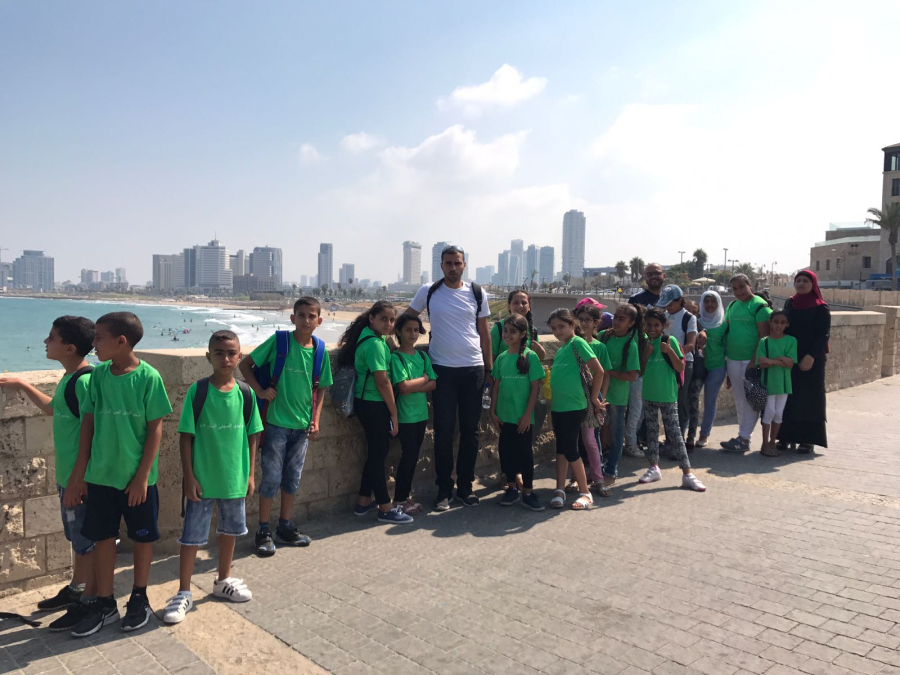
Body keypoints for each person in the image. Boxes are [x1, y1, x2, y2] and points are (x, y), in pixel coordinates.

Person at [65, 312, 173, 636]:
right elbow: (88, 425)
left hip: (136, 480)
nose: (94, 343)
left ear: (121, 341)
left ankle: (139, 597)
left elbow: (155, 429)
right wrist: (79, 475)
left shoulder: (149, 377)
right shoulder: (98, 376)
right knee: (102, 538)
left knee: (142, 538)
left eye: (99, 337)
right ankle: (105, 603)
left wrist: (142, 477)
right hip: (101, 476)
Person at [0, 316, 97, 632]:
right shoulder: (70, 378)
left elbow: (93, 432)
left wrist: (79, 481)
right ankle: (77, 588)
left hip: (79, 480)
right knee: (77, 538)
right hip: (69, 476)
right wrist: (23, 385)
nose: (45, 341)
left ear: (69, 347)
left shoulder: (84, 382)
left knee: (86, 541)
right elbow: (56, 409)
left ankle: (88, 601)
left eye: (52, 337)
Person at [164, 331, 263, 624]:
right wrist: (189, 476)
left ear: (240, 357)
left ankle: (223, 580)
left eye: (231, 353)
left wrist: (250, 474)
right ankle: (184, 591)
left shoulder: (246, 394)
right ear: (209, 356)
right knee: (191, 537)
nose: (226, 358)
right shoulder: (199, 392)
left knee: (230, 531)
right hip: (203, 480)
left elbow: (253, 435)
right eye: (219, 353)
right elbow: (186, 437)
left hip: (234, 478)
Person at [240, 297, 333, 556]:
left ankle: (285, 526)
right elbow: (245, 365)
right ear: (292, 318)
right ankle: (263, 530)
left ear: (319, 321)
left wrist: (316, 420)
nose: (306, 320)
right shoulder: (280, 342)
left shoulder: (320, 351)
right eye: (301, 315)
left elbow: (320, 388)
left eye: (311, 316)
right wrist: (260, 391)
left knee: (292, 478)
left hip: (302, 427)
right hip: (276, 424)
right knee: (271, 478)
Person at [405, 246, 491, 511]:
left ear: (464, 265)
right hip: (441, 369)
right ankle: (444, 489)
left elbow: (484, 332)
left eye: (457, 263)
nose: (453, 267)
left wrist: (489, 368)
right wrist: (397, 348)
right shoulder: (428, 291)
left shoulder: (477, 293)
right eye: (448, 263)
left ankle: (465, 487)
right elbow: (406, 319)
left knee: (470, 431)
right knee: (443, 431)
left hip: (473, 369)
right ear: (441, 266)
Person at [338, 302, 412, 524]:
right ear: (371, 318)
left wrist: (388, 340)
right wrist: (394, 413)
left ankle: (363, 502)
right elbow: (382, 381)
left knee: (375, 453)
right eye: (383, 319)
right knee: (378, 456)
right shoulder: (374, 345)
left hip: (365, 402)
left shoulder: (368, 337)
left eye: (392, 320)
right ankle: (385, 508)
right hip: (374, 404)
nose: (388, 324)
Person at [637, 308, 706, 492]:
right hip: (649, 395)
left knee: (675, 435)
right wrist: (647, 354)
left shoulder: (670, 341)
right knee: (652, 434)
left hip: (667, 396)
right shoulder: (644, 343)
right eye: (649, 325)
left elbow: (680, 367)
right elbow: (640, 371)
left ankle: (687, 474)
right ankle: (653, 467)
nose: (652, 328)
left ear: (663, 326)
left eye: (656, 325)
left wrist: (668, 351)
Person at [546, 309, 605, 511]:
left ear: (573, 325)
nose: (557, 332)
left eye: (561, 326)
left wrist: (595, 398)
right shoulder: (562, 349)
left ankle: (585, 492)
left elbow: (599, 371)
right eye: (554, 328)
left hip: (574, 405)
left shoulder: (577, 343)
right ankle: (560, 489)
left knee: (571, 449)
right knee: (561, 448)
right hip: (559, 406)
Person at [488, 314, 546, 511]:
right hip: (504, 416)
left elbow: (535, 388)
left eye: (512, 331)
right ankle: (511, 487)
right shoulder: (502, 358)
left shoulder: (530, 357)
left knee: (525, 455)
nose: (507, 335)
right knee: (506, 453)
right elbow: (496, 386)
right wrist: (493, 412)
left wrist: (527, 415)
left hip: (523, 418)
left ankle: (528, 492)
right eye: (505, 331)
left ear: (523, 334)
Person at [389, 314, 437, 516]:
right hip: (405, 415)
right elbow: (403, 387)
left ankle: (405, 495)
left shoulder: (423, 357)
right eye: (408, 329)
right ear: (399, 332)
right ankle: (400, 499)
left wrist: (417, 384)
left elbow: (433, 384)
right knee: (408, 456)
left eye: (416, 330)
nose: (413, 333)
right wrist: (423, 379)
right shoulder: (397, 358)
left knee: (413, 456)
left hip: (421, 414)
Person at [778, 270, 831, 453]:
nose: (801, 284)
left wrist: (811, 356)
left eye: (805, 281)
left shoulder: (820, 307)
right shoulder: (790, 303)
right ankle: (785, 437)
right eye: (798, 280)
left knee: (809, 398)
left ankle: (808, 440)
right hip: (790, 357)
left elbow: (823, 334)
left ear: (813, 284)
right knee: (789, 397)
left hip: (811, 359)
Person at [720, 274, 772, 453]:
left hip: (749, 361)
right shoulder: (732, 306)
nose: (738, 291)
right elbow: (726, 330)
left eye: (742, 287)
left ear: (750, 285)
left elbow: (763, 337)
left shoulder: (759, 306)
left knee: (749, 401)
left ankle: (743, 438)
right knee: (739, 400)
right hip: (733, 359)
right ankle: (742, 436)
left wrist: (753, 361)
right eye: (734, 288)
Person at [597, 304, 643, 496]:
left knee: (616, 435)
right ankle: (597, 468)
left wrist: (609, 372)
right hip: (598, 394)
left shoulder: (630, 345)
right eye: (615, 317)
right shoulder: (603, 336)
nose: (616, 321)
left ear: (631, 323)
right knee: (597, 433)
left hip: (617, 397)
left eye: (621, 319)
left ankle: (611, 470)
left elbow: (632, 375)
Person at [625, 262, 666, 458]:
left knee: (659, 403)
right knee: (638, 406)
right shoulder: (636, 300)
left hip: (664, 360)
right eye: (649, 274)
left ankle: (653, 438)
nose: (653, 277)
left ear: (663, 275)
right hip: (642, 359)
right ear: (644, 277)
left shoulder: (670, 298)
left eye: (656, 273)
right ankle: (635, 439)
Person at [572, 302, 611, 489]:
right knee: (575, 441)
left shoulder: (599, 347)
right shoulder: (572, 344)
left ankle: (598, 476)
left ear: (596, 323)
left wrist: (601, 397)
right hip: (574, 396)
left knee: (591, 440)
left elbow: (605, 373)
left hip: (592, 397)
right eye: (581, 319)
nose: (584, 323)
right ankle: (576, 477)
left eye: (588, 320)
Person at [657, 285, 698, 444]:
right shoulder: (664, 316)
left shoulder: (689, 318)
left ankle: (677, 440)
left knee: (679, 402)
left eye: (670, 303)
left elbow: (691, 344)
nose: (668, 307)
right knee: (667, 402)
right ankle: (669, 439)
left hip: (683, 363)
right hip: (664, 363)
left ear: (680, 300)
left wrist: (673, 354)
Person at [757, 312, 797, 457]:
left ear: (787, 324)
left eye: (782, 323)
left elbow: (791, 363)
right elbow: (761, 363)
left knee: (779, 413)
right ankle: (765, 443)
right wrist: (781, 360)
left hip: (783, 384)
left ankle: (772, 442)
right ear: (770, 322)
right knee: (769, 412)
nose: (779, 326)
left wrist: (771, 361)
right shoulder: (764, 341)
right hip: (768, 383)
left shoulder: (791, 340)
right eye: (776, 322)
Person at [694, 291, 728, 448]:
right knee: (691, 400)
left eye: (713, 301)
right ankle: (688, 434)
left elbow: (727, 348)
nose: (709, 304)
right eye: (706, 301)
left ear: (718, 303)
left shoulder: (724, 325)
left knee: (710, 401)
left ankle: (704, 434)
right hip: (698, 366)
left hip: (717, 366)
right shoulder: (696, 322)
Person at [490, 289, 546, 361]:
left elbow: (538, 358)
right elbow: (490, 356)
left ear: (529, 307)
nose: (520, 306)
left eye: (524, 303)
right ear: (509, 306)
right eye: (516, 303)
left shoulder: (532, 330)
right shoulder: (499, 328)